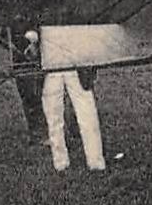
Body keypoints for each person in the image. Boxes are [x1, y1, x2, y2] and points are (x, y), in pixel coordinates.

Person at [40, 37, 106, 173]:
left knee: (86, 109)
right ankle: (60, 162)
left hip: (76, 55)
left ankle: (96, 161)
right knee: (53, 112)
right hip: (49, 56)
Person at [0, 25, 47, 142]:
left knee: (43, 96)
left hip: (40, 62)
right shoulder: (12, 20)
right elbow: (3, 39)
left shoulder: (38, 16)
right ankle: (36, 133)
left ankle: (47, 132)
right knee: (29, 98)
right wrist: (13, 48)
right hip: (20, 63)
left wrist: (36, 46)